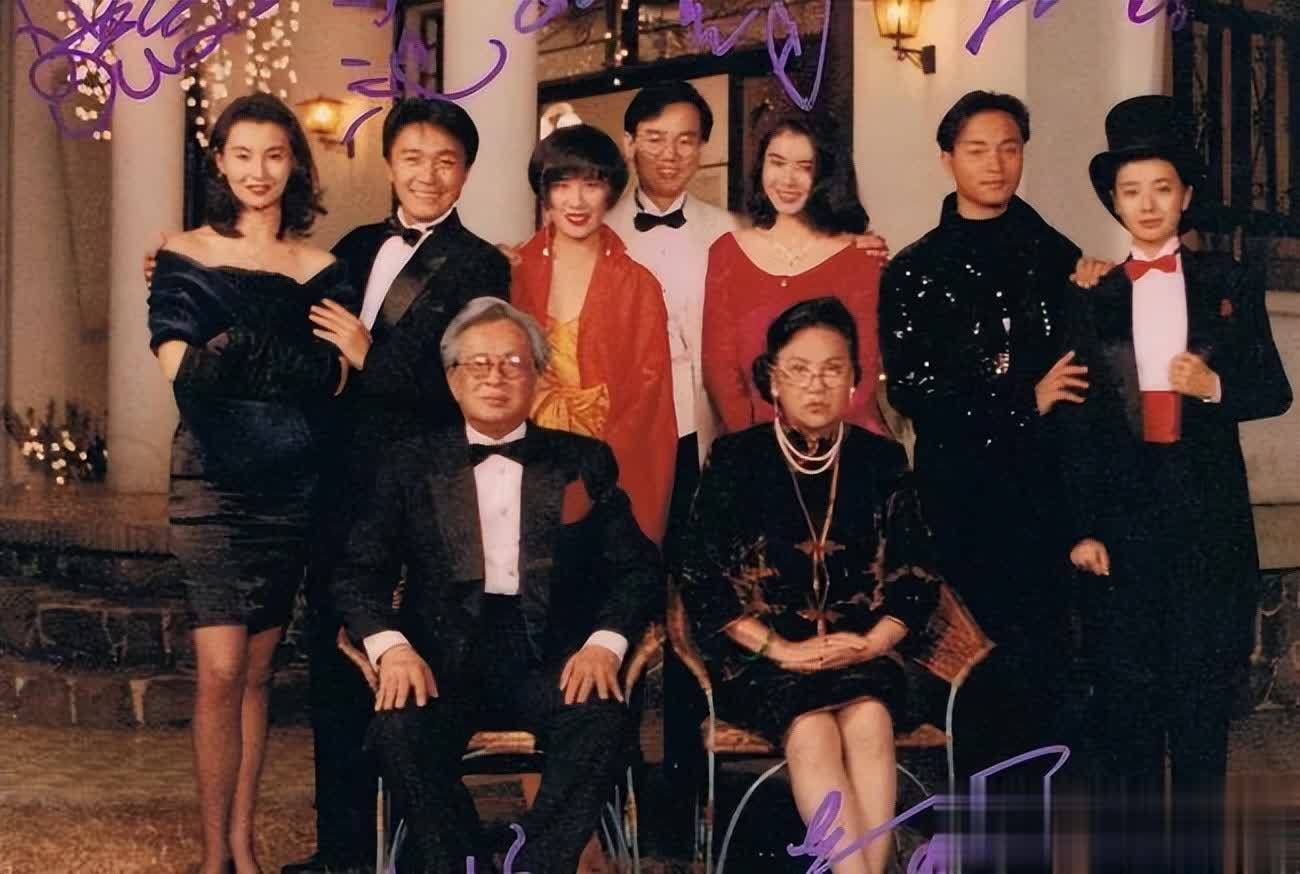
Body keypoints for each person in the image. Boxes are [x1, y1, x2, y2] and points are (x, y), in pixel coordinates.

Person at [329, 297, 662, 873]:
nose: (495, 377)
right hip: (440, 657)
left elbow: (637, 567)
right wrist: (392, 648)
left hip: (556, 657)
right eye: (478, 364)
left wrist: (604, 644)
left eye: (512, 363)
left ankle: (533, 865)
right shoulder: (409, 463)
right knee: (399, 729)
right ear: (452, 380)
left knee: (601, 719)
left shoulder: (583, 461)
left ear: (538, 377)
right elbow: (357, 571)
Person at [1058, 95, 1292, 873]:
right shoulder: (1092, 293)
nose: (1148, 204)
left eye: (1162, 188)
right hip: (1123, 522)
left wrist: (1213, 387)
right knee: (1126, 706)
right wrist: (1083, 526)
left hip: (1204, 518)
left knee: (1198, 708)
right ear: (1114, 201)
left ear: (1186, 195)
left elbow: (1274, 391)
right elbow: (1081, 425)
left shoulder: (1229, 278)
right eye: (1131, 191)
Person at [289, 99, 512, 874]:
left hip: (423, 493)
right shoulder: (353, 247)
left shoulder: (483, 266)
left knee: (411, 661)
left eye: (446, 161)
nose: (428, 174)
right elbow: (291, 318)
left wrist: (370, 355)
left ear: (466, 173)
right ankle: (341, 849)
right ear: (389, 163)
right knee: (333, 664)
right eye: (413, 157)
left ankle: (415, 849)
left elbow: (469, 387)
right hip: (339, 484)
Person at [145, 93, 360, 874]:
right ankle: (214, 856)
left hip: (292, 487)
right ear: (219, 163)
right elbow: (185, 374)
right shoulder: (182, 255)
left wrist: (237, 347)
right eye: (242, 154)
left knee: (261, 674)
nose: (258, 171)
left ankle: (242, 842)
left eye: (274, 154)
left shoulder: (324, 267)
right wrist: (288, 367)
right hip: (210, 481)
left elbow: (336, 381)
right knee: (221, 671)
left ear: (295, 163)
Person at [878, 90, 1110, 782]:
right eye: (977, 149)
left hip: (1044, 497)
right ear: (946, 158)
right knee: (969, 674)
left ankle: (1031, 828)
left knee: (1044, 672)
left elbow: (1090, 376)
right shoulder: (914, 270)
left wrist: (1102, 286)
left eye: (1010, 148)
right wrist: (1022, 400)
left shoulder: (1058, 257)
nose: (996, 163)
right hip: (960, 497)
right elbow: (915, 391)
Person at [676, 297, 941, 874]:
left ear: (854, 380)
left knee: (869, 718)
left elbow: (917, 572)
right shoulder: (735, 459)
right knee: (812, 728)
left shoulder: (882, 460)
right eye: (798, 369)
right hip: (764, 659)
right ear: (772, 380)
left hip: (865, 652)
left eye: (832, 369)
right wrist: (782, 650)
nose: (816, 385)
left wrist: (872, 642)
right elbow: (701, 579)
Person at [511, 123, 677, 544]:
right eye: (562, 185)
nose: (577, 201)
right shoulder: (512, 270)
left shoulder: (638, 284)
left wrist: (596, 469)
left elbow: (648, 395)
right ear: (545, 192)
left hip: (610, 468)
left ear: (611, 191)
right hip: (520, 463)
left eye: (591, 184)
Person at [702, 114, 890, 440]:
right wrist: (754, 443)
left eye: (804, 167)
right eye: (777, 162)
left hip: (845, 444)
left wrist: (822, 445)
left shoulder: (860, 258)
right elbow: (719, 369)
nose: (787, 180)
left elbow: (863, 372)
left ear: (826, 174)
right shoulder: (727, 252)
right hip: (753, 445)